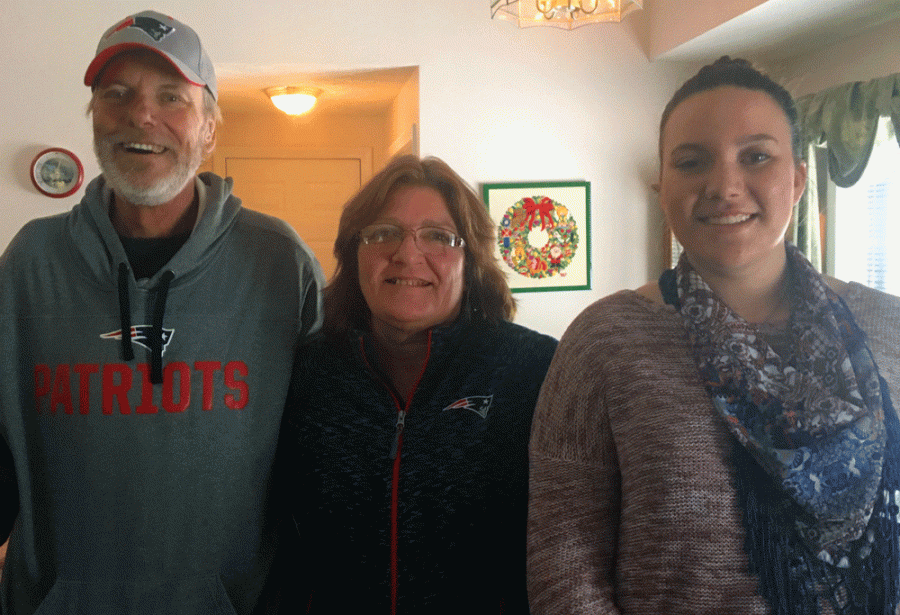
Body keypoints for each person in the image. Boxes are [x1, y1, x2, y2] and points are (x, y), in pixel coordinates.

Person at [527, 57, 900, 614]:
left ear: (797, 178)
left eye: (756, 156)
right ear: (662, 189)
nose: (724, 186)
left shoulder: (889, 327)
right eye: (691, 161)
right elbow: (564, 563)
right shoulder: (605, 342)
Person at [0, 10, 323, 614]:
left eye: (170, 96)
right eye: (115, 93)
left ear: (208, 130)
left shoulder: (279, 262)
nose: (140, 114)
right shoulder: (29, 264)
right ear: (94, 117)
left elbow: (323, 454)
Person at [281, 154, 558, 613]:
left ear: (471, 260)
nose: (408, 254)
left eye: (438, 237)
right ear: (354, 255)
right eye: (383, 233)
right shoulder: (308, 373)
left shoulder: (535, 369)